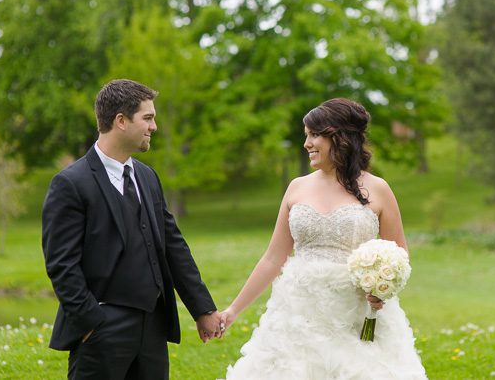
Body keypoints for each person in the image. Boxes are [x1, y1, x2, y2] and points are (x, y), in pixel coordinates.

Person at [218, 98, 427, 379]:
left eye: (314, 135)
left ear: (340, 137)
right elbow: (273, 258)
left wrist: (382, 290)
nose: (307, 144)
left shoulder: (379, 189)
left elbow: (399, 254)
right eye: (306, 135)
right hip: (298, 312)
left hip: (355, 312)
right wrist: (233, 311)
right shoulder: (297, 188)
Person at [42, 79, 224, 380]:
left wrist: (202, 309)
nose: (154, 126)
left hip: (153, 326)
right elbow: (61, 264)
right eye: (148, 118)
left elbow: (173, 246)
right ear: (121, 121)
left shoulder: (147, 177)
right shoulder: (71, 183)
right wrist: (90, 322)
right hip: (101, 329)